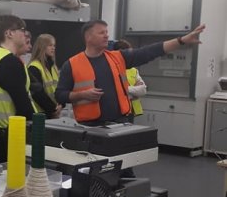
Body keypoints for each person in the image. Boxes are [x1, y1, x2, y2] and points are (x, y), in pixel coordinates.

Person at [55, 20, 205, 126]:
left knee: (125, 163)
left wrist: (181, 41)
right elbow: (60, 95)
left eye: (107, 32)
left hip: (120, 124)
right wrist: (82, 95)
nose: (106, 36)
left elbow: (149, 51)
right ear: (88, 37)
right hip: (90, 127)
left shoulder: (118, 57)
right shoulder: (72, 64)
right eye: (101, 33)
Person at [0, 15, 34, 164]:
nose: (25, 34)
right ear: (9, 33)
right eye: (22, 30)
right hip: (8, 131)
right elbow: (22, 102)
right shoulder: (9, 62)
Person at [28, 33, 62, 119]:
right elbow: (38, 94)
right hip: (40, 113)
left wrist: (61, 105)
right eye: (50, 45)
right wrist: (53, 109)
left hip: (54, 112)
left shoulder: (53, 67)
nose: (53, 48)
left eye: (54, 45)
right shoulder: (34, 67)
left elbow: (59, 88)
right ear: (42, 47)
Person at [113, 39, 146, 122]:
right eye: (128, 54)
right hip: (118, 111)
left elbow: (143, 90)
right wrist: (134, 89)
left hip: (131, 110)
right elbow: (115, 91)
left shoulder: (133, 70)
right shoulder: (112, 69)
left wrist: (126, 90)